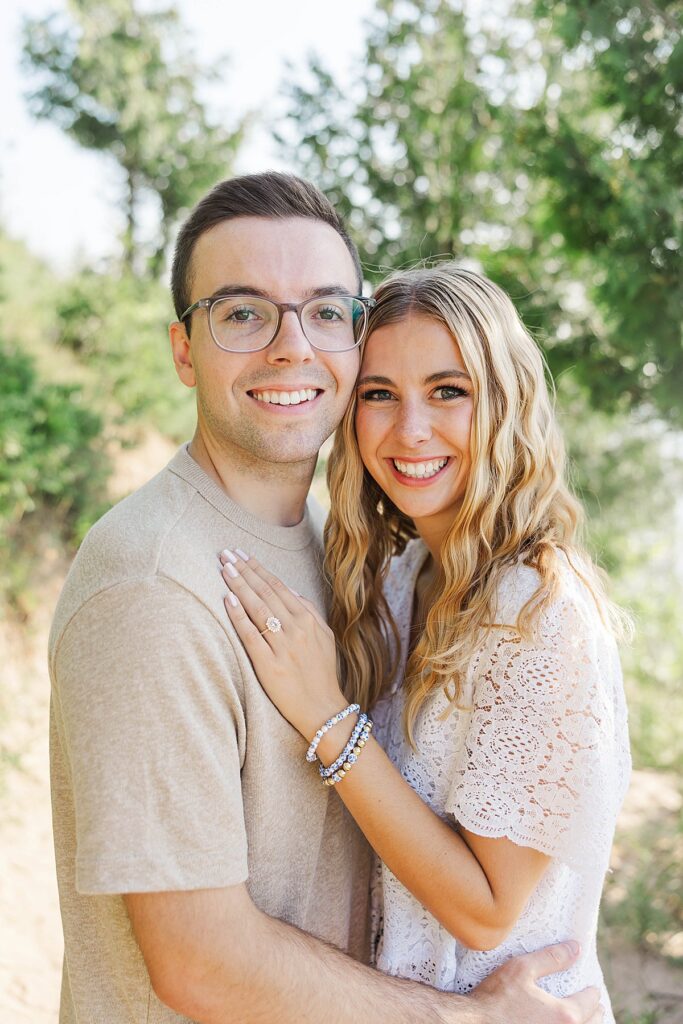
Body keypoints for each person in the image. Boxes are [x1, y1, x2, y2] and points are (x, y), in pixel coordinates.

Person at [49, 173, 604, 1023]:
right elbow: (201, 964)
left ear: (349, 336)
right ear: (183, 349)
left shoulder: (345, 559)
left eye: (322, 312)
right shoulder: (152, 586)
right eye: (241, 312)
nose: (288, 347)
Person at [221, 263, 631, 1018]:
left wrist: (326, 717)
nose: (410, 430)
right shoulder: (404, 579)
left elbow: (484, 911)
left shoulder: (541, 613)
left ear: (504, 404)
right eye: (379, 395)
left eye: (448, 391)